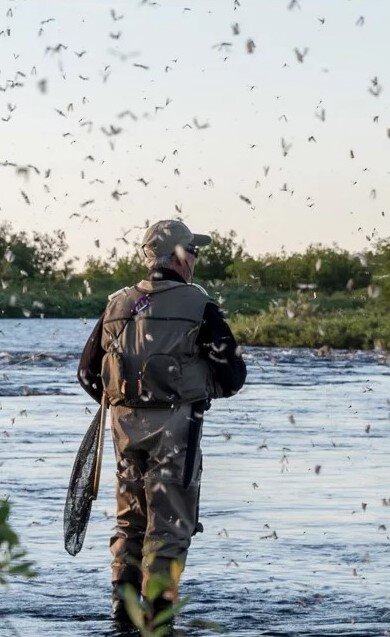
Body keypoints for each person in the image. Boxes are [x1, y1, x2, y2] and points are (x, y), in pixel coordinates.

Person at [77, 219, 247, 629]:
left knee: (130, 522)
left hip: (122, 428)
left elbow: (87, 374)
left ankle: (122, 613)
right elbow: (233, 375)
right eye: (194, 252)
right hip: (177, 429)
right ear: (180, 257)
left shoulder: (116, 304)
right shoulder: (199, 305)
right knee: (169, 527)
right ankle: (157, 619)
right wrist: (202, 389)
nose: (197, 260)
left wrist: (125, 404)